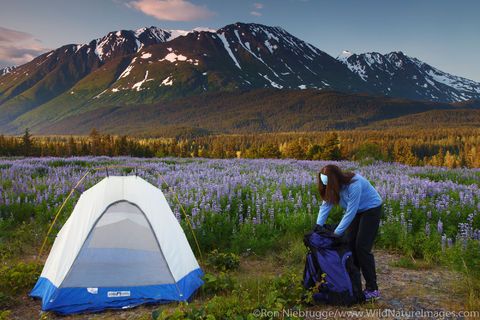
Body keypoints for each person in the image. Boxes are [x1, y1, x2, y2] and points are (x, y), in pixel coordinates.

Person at [316, 164, 383, 300]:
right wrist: (317, 227)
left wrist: (337, 233)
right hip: (358, 211)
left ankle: (373, 289)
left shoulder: (354, 184)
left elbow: (351, 212)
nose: (327, 189)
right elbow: (326, 205)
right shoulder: (333, 187)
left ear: (335, 181)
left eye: (328, 186)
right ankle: (355, 284)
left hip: (371, 209)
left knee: (362, 247)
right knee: (350, 246)